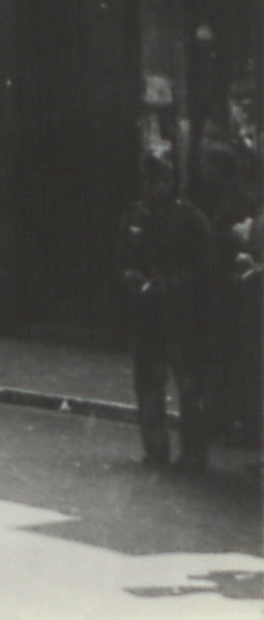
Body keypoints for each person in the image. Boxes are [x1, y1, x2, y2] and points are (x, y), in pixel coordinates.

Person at [117, 152, 218, 471]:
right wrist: (129, 276)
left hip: (182, 318)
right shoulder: (134, 217)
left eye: (160, 181)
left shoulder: (191, 219)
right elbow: (123, 258)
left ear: (172, 182)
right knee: (148, 385)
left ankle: (194, 454)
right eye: (148, 181)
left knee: (189, 388)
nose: (154, 188)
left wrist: (171, 284)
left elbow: (205, 270)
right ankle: (155, 450)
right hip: (147, 317)